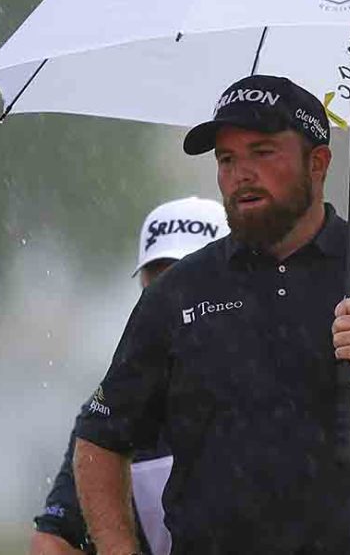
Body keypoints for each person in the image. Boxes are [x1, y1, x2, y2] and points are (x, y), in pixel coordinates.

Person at [73, 75, 350, 555]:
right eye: (227, 159)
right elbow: (100, 440)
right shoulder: (178, 292)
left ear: (317, 163)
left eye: (263, 152)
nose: (241, 173)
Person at [31, 197, 229, 555]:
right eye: (159, 281)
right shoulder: (116, 407)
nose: (173, 297)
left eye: (189, 275)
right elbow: (54, 542)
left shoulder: (285, 386)